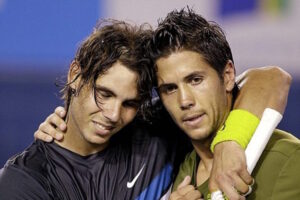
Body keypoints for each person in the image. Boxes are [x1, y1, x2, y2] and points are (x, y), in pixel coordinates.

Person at [147, 8, 300, 200]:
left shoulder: (287, 159)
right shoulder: (181, 173)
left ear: (228, 76)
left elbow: (271, 78)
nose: (184, 101)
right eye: (170, 88)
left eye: (195, 80)